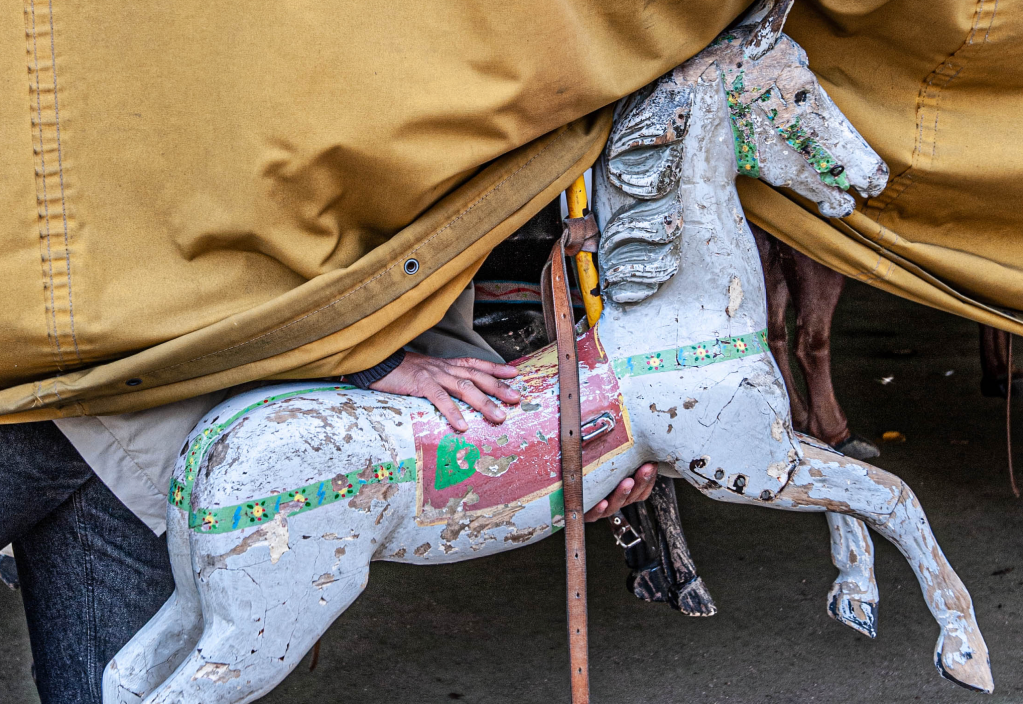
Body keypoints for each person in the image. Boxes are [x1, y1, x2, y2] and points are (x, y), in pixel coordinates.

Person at [1, 283, 655, 704]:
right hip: (59, 366)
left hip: (148, 427)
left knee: (120, 684)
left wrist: (548, 453)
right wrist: (361, 357)